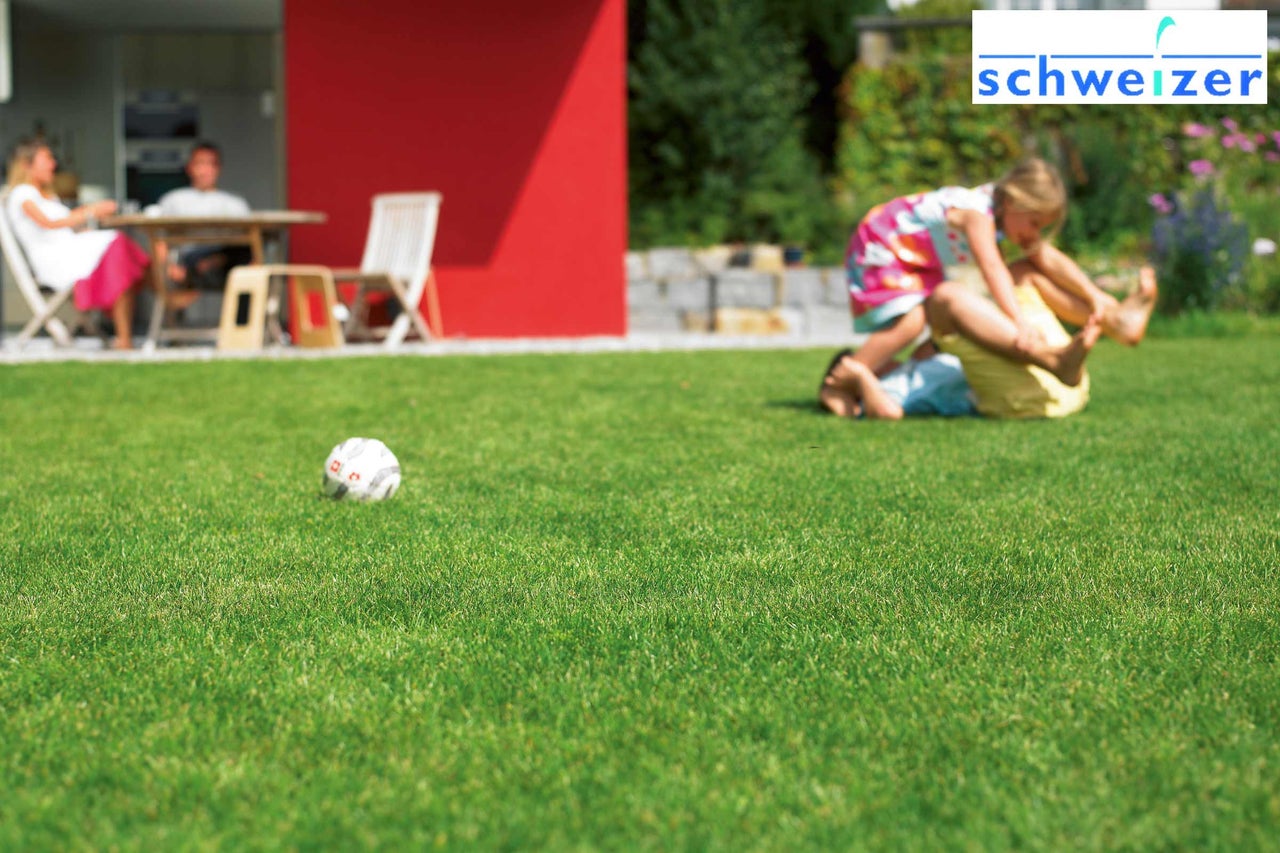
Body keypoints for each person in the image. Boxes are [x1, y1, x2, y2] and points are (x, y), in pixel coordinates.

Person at [820, 157, 1157, 418]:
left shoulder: (1000, 215)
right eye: (1034, 223)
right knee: (915, 319)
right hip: (882, 247)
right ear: (1012, 202)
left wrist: (1093, 294)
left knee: (1027, 265)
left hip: (919, 261)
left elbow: (1048, 257)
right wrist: (1018, 323)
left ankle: (1116, 321)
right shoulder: (976, 214)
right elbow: (992, 268)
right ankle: (840, 380)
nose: (1034, 233)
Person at [5, 141, 151, 350]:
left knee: (118, 252)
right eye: (47, 159)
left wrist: (86, 229)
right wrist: (90, 211)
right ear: (27, 165)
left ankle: (127, 334)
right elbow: (48, 223)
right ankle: (153, 307)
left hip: (71, 252)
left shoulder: (47, 195)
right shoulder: (22, 194)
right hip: (57, 262)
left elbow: (64, 229)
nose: (53, 164)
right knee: (117, 247)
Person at [154, 141, 251, 293]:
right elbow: (159, 239)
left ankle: (213, 262)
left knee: (246, 250)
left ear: (218, 168)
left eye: (211, 164)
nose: (205, 170)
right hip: (190, 258)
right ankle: (207, 263)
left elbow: (250, 239)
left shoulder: (235, 203)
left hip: (229, 260)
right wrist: (168, 267)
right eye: (200, 164)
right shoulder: (174, 199)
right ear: (190, 167)